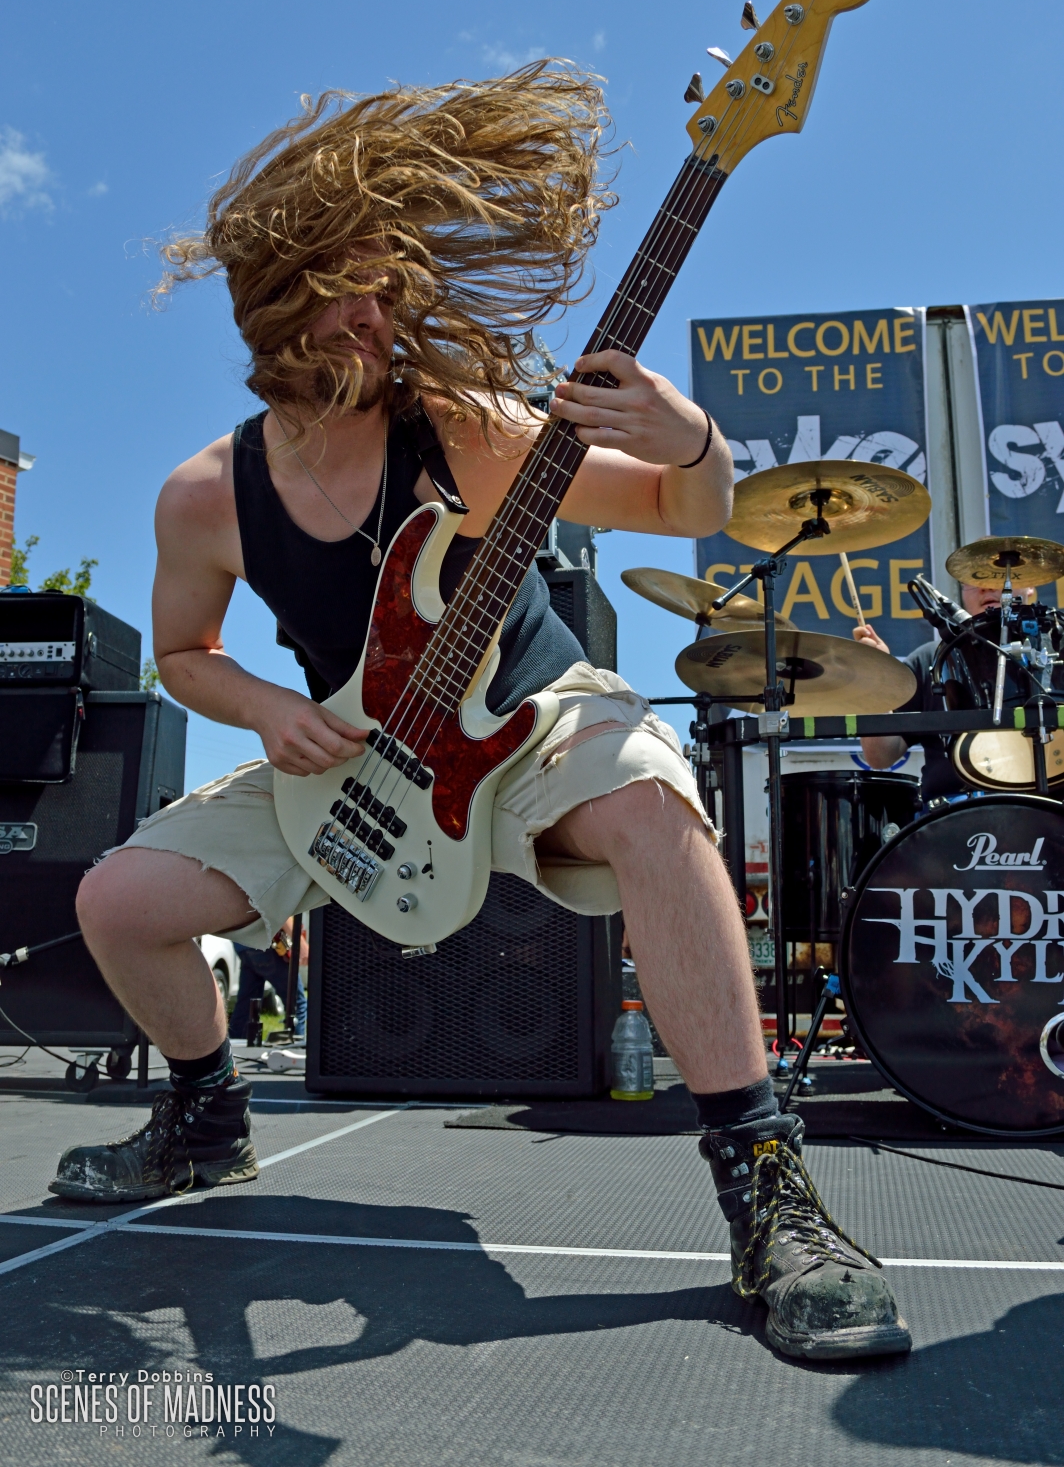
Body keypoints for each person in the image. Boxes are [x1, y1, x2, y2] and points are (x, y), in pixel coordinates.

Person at [49, 65, 909, 1362]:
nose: (374, 315)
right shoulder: (204, 495)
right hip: (357, 753)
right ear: (275, 301)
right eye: (344, 290)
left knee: (651, 806)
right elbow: (182, 653)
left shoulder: (464, 429)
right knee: (118, 901)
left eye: (384, 289)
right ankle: (205, 1117)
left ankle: (765, 1185)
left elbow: (682, 511)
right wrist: (267, 708)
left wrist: (690, 440)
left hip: (530, 721)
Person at [856, 582, 1038, 803]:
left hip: (1046, 805)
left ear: (1030, 584)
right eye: (974, 579)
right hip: (953, 813)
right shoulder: (930, 659)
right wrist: (875, 677)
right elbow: (880, 757)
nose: (985, 587)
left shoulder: (1056, 650)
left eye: (997, 576)